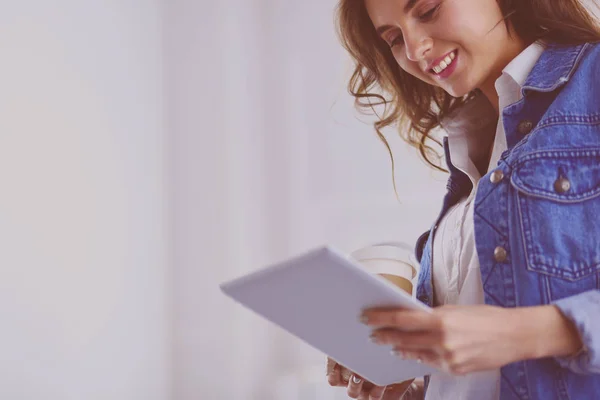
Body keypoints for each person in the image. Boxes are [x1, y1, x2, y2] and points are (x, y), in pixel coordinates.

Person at [325, 0, 600, 399]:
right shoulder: (471, 150)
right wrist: (421, 381)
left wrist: (526, 334)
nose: (416, 49)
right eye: (394, 39)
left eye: (428, 10)